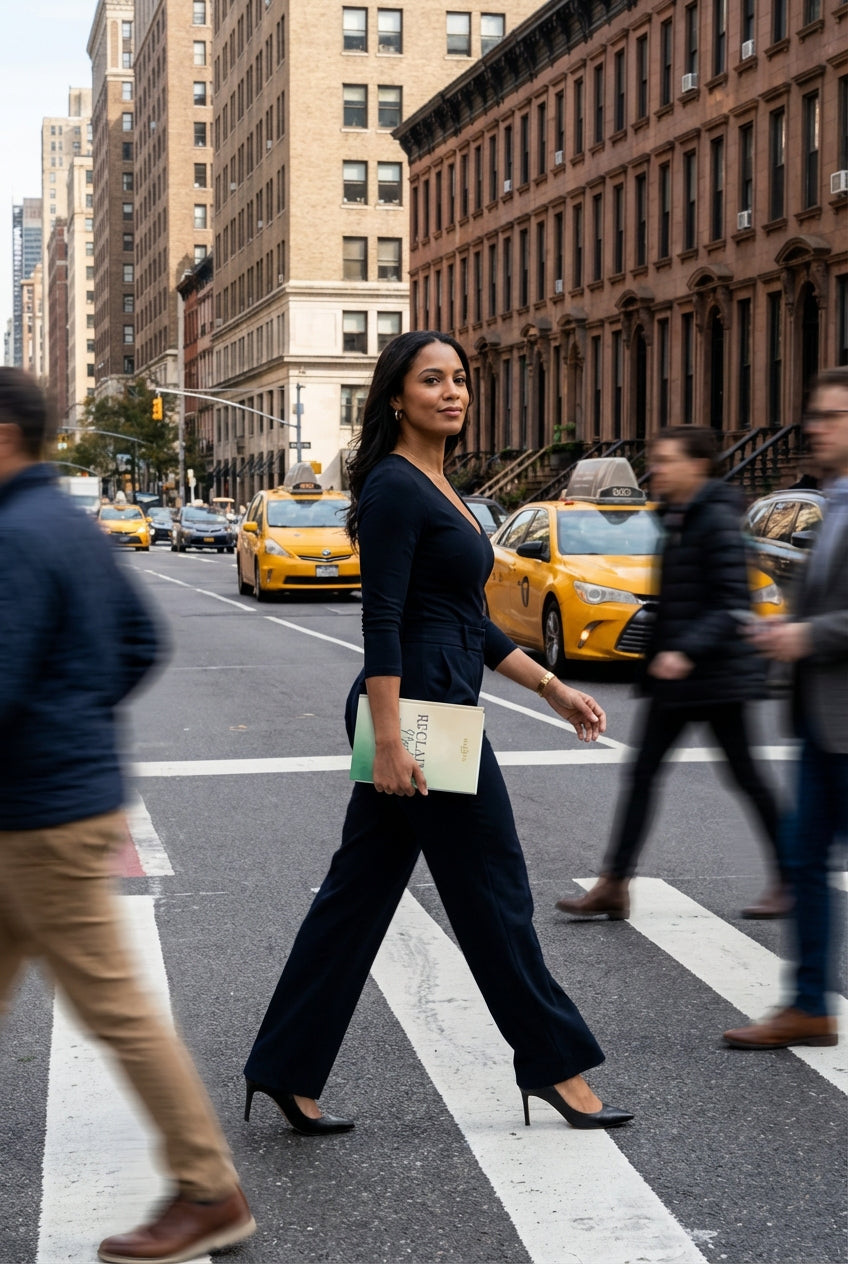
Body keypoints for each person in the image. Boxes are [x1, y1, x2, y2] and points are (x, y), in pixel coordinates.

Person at [243, 331, 632, 1133]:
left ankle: (284, 1068)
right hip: (418, 713)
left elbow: (467, 620)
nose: (452, 392)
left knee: (356, 896)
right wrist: (389, 738)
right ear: (396, 396)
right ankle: (555, 1065)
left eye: (459, 379)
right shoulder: (393, 487)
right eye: (432, 380)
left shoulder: (440, 485)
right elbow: (381, 620)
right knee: (494, 886)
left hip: (436, 699)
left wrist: (552, 686)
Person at [0, 369, 255, 1264]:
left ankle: (206, 1186)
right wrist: (79, 712)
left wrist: (58, 724)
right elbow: (142, 642)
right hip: (53, 800)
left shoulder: (15, 538)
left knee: (117, 1008)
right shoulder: (67, 525)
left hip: (37, 818)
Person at [555, 427, 784, 923]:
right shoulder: (680, 516)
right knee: (643, 776)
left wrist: (682, 651)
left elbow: (730, 603)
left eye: (666, 460)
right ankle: (614, 885)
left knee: (746, 777)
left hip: (715, 678)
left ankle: (791, 879)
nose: (654, 469)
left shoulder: (716, 521)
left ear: (697, 466)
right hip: (680, 681)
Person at [724, 368, 848, 1050]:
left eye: (834, 415)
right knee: (802, 859)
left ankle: (808, 1002)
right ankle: (808, 1004)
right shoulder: (826, 502)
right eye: (816, 414)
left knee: (806, 856)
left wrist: (806, 634)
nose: (817, 427)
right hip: (819, 719)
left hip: (843, 722)